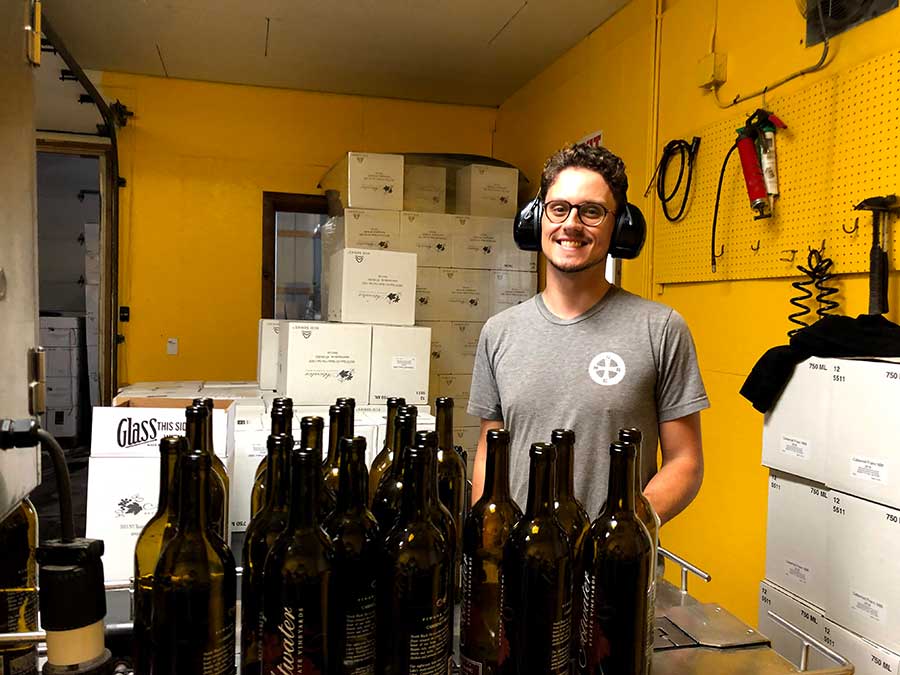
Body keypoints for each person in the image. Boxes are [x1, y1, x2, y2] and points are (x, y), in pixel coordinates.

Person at [467, 144, 709, 524]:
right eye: (559, 208)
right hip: (521, 567)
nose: (571, 224)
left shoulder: (660, 329)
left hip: (614, 570)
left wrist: (622, 529)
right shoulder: (499, 333)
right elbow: (488, 450)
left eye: (592, 211)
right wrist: (485, 539)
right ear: (536, 220)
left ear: (621, 227)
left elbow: (685, 462)